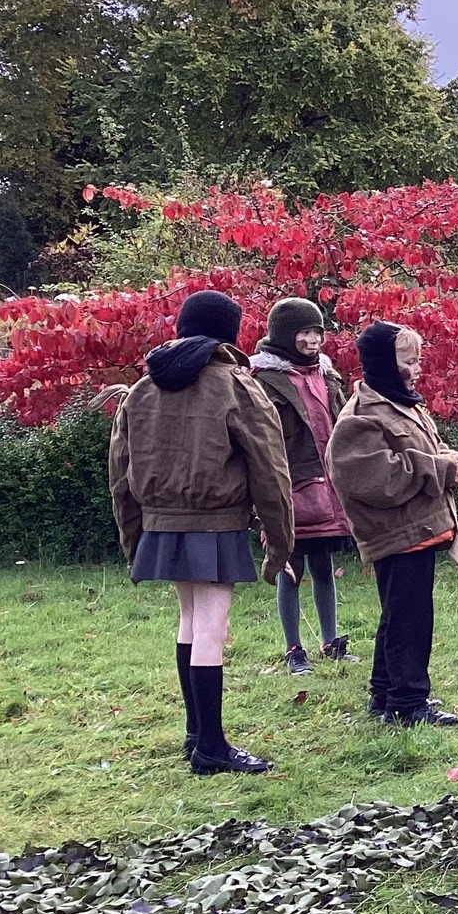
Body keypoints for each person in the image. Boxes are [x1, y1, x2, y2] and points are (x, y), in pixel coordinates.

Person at [108, 289, 293, 776]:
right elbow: (272, 473)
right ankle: (211, 747)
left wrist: (133, 539)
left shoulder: (141, 390)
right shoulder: (236, 385)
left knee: (190, 622)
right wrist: (279, 544)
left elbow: (118, 475)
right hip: (215, 522)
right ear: (229, 334)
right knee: (212, 628)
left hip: (160, 523)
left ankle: (196, 736)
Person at [328, 322, 458, 728]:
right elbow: (377, 479)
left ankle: (385, 693)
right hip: (397, 533)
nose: (416, 368)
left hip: (419, 529)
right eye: (408, 361)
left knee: (398, 615)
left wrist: (448, 459)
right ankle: (407, 705)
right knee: (410, 620)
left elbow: (418, 451)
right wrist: (438, 469)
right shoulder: (360, 418)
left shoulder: (403, 404)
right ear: (383, 363)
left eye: (417, 360)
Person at [249, 298, 355, 675]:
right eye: (304, 333)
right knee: (289, 568)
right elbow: (259, 443)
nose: (313, 340)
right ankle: (294, 649)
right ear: (285, 335)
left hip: (329, 487)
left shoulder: (327, 376)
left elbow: (344, 423)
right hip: (290, 487)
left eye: (317, 332)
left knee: (324, 566)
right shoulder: (262, 379)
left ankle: (331, 641)